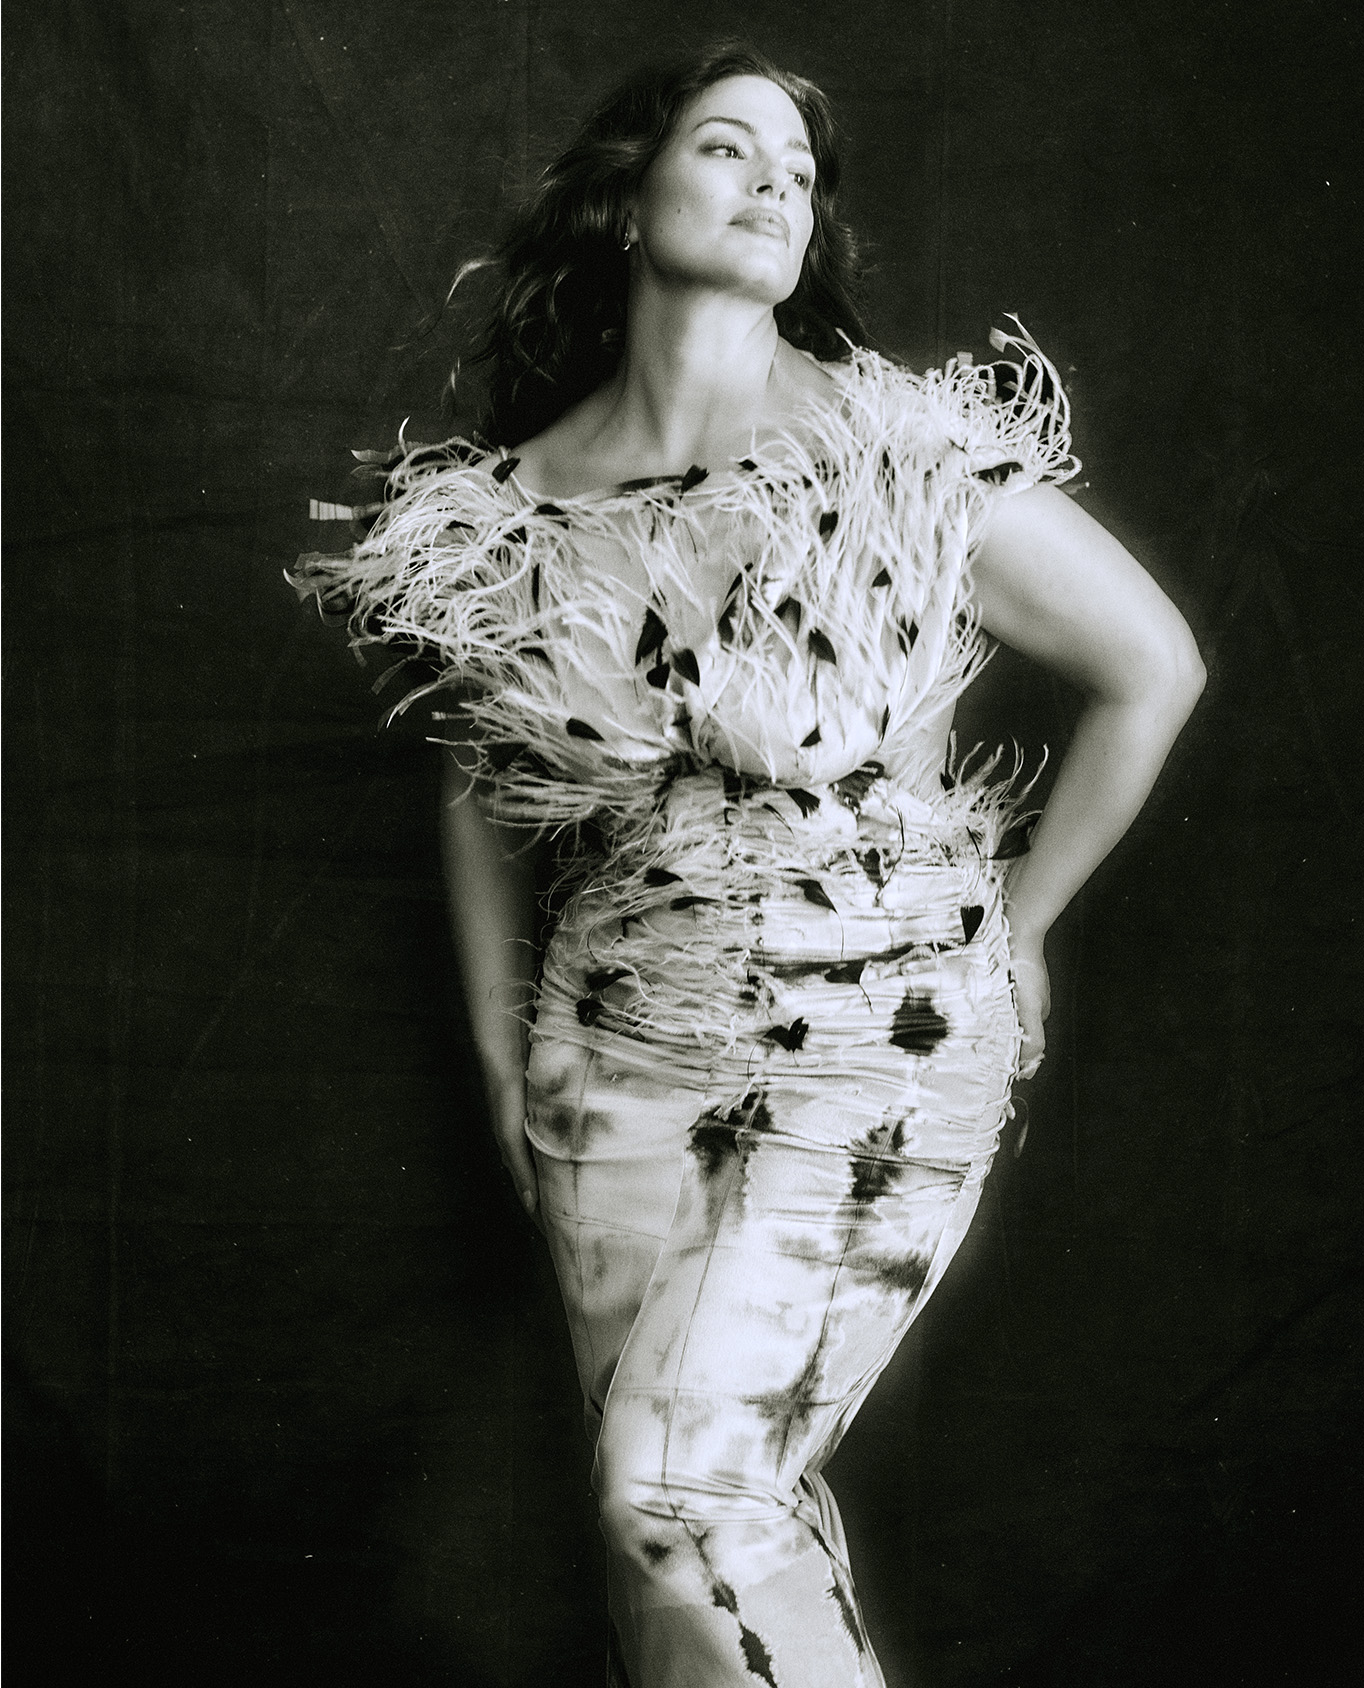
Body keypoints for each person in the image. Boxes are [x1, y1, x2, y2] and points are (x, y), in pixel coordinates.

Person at [291, 43, 1204, 1684]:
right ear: (634, 198)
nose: (778, 182)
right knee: (685, 1544)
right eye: (731, 149)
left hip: (879, 1037)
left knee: (682, 1497)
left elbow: (1154, 663)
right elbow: (478, 776)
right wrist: (509, 1045)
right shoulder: (505, 509)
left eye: (800, 168)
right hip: (615, 1055)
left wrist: (1029, 926)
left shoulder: (901, 451)